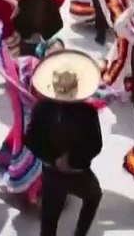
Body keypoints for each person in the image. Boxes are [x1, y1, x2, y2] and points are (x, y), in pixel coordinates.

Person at [23, 49, 104, 236]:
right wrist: (73, 161)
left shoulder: (41, 108)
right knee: (94, 197)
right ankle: (80, 233)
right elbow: (96, 144)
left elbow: (30, 139)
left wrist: (53, 159)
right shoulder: (88, 113)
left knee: (49, 218)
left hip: (51, 172)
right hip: (78, 173)